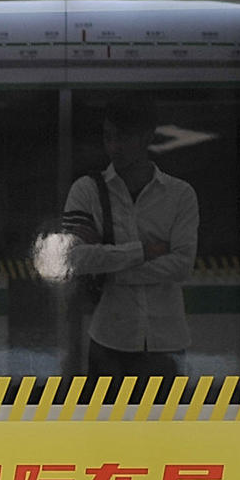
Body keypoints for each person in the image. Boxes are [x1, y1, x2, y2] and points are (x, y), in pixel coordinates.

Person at [60, 100, 198, 377]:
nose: (114, 147)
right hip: (109, 340)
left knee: (164, 407)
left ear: (146, 137)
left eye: (123, 137)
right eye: (108, 137)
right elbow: (74, 259)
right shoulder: (87, 191)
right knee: (107, 407)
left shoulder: (180, 195)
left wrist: (110, 267)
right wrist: (144, 251)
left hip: (165, 341)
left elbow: (182, 265)